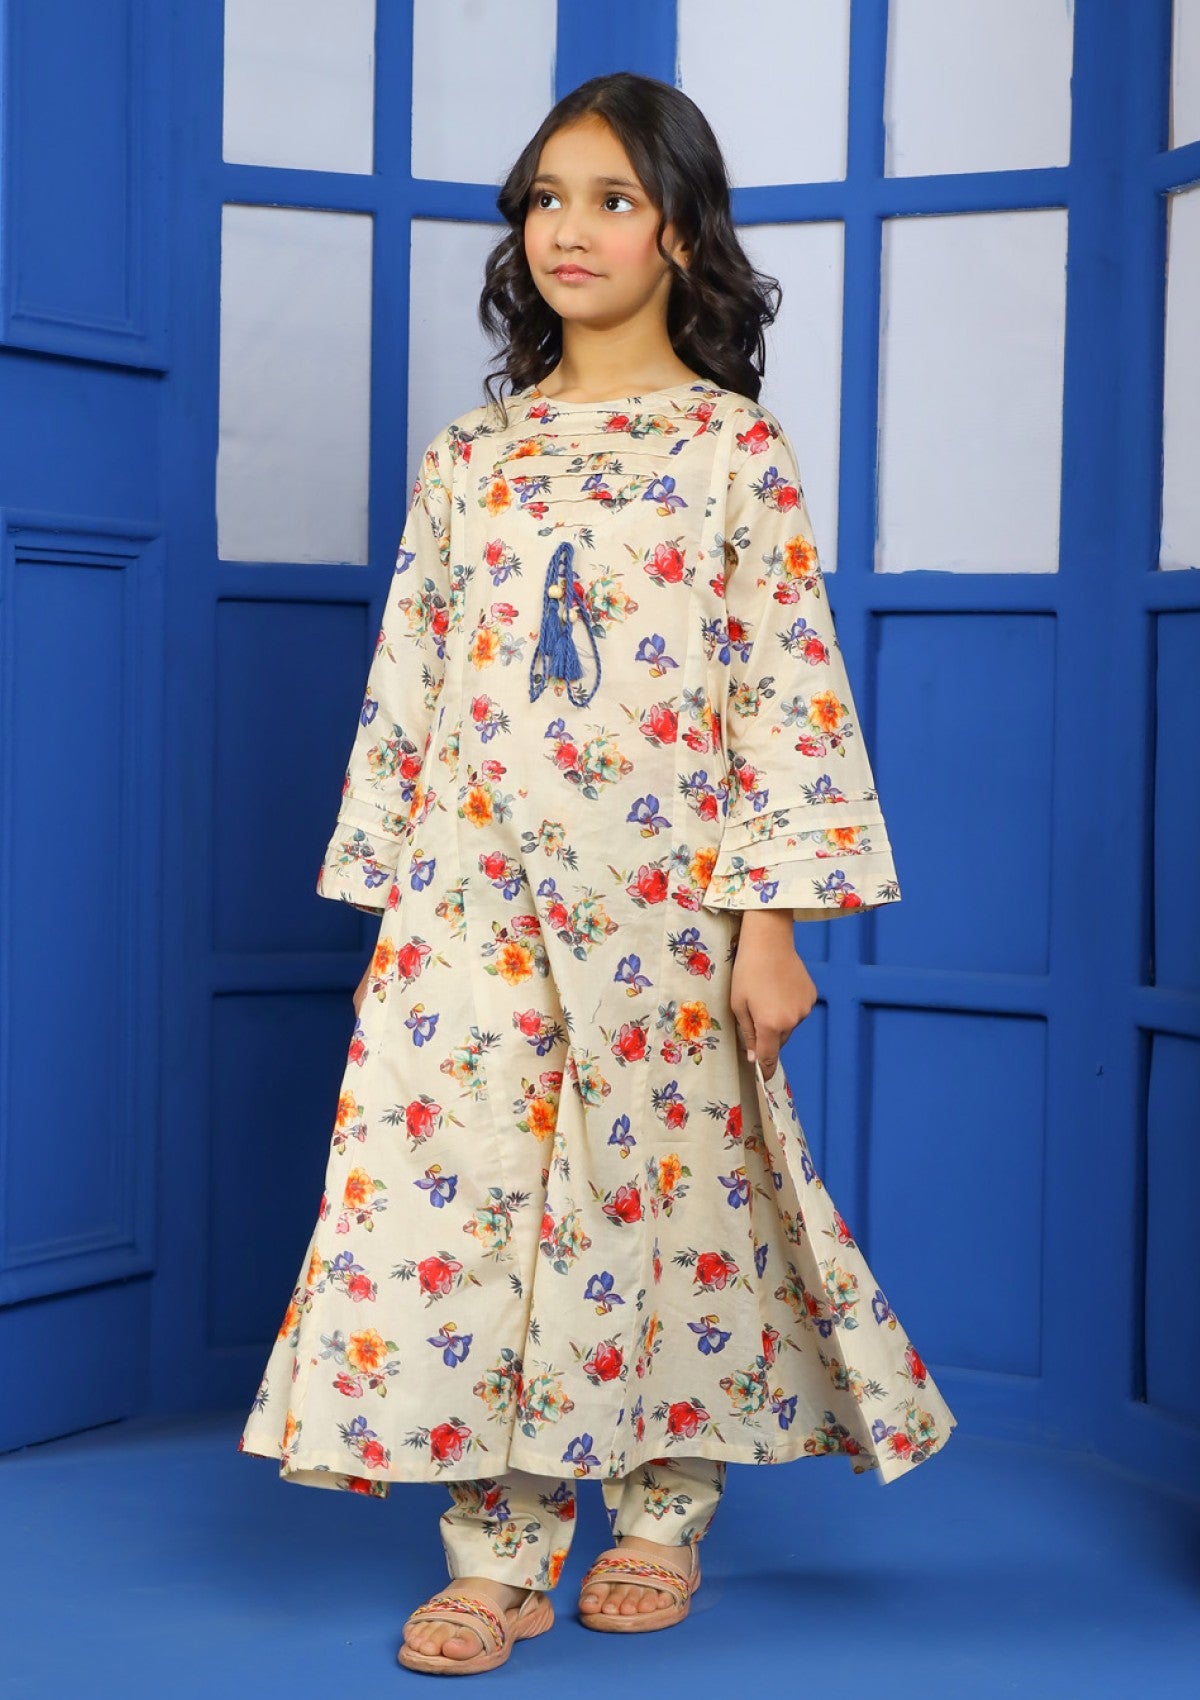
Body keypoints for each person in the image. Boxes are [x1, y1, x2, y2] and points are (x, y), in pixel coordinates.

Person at [238, 70, 957, 1675]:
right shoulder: (471, 458)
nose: (569, 231)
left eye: (613, 200)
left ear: (682, 235)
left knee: (668, 1202)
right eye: (546, 200)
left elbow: (785, 692)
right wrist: (395, 914)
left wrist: (771, 928)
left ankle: (658, 1517)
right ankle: (495, 1553)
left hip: (666, 910)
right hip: (474, 903)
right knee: (474, 1197)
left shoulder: (733, 452)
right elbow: (413, 688)